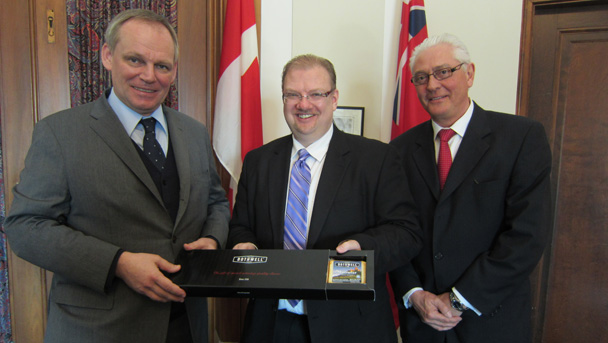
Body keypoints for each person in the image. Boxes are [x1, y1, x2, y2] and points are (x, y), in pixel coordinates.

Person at [4, 9, 229, 343]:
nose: (149, 76)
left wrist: (211, 240)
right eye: (135, 60)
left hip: (186, 325)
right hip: (98, 331)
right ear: (107, 56)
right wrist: (117, 263)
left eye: (162, 66)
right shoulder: (59, 133)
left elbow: (216, 202)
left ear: (174, 70)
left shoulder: (194, 133)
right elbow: (25, 228)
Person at [228, 54, 422, 343]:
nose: (303, 104)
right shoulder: (258, 161)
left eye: (315, 94)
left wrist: (362, 247)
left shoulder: (376, 159)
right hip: (271, 324)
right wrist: (244, 244)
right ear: (283, 99)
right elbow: (241, 226)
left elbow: (407, 233)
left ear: (334, 98)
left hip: (349, 326)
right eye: (293, 94)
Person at [389, 33, 552, 343]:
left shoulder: (521, 137)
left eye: (443, 72)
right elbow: (394, 231)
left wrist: (459, 298)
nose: (433, 85)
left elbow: (527, 235)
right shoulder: (398, 150)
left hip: (491, 322)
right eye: (421, 78)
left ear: (470, 73)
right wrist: (413, 293)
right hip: (424, 324)